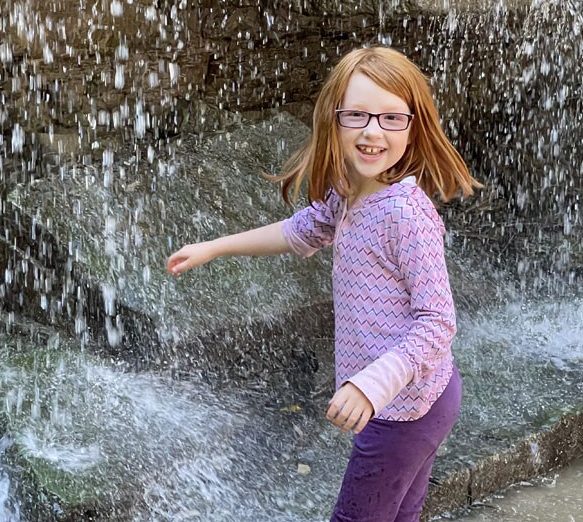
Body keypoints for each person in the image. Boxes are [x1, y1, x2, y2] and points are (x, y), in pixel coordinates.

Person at [167, 46, 481, 522]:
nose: (373, 131)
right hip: (414, 398)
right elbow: (300, 232)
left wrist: (369, 387)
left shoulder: (404, 214)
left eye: (392, 117)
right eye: (356, 114)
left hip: (404, 409)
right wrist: (216, 246)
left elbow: (438, 322)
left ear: (414, 125)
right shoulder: (350, 193)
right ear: (333, 120)